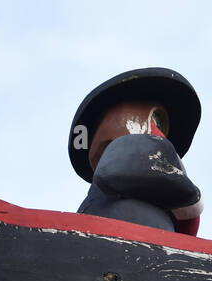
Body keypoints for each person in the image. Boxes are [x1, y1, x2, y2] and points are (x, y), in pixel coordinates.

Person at [68, 68, 203, 234]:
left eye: (160, 124)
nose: (160, 134)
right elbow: (112, 172)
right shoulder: (129, 148)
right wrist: (192, 197)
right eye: (156, 121)